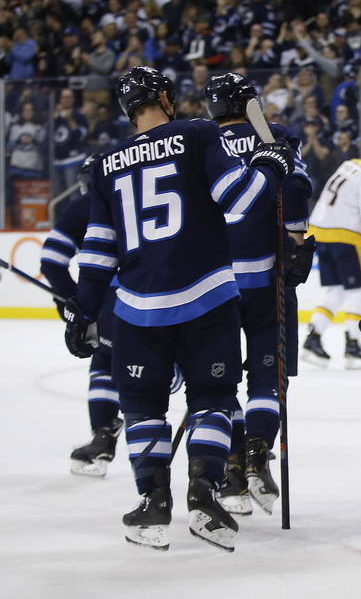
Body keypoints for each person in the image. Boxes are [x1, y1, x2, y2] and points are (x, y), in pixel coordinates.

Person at [60, 66, 294, 551]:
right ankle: (204, 495)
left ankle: (153, 501)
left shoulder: (105, 163)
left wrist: (83, 312)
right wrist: (271, 165)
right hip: (207, 297)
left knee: (144, 407)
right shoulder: (197, 133)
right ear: (166, 98)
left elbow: (99, 251)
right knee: (212, 398)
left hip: (137, 310)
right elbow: (240, 200)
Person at [203, 72, 315, 516]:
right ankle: (257, 457)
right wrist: (295, 240)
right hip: (267, 279)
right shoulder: (277, 136)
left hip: (212, 286)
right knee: (269, 376)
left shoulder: (197, 143)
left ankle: (230, 470)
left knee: (219, 379)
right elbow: (298, 187)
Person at [40, 153, 123, 477]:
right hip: (170, 293)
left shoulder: (86, 203)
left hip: (111, 299)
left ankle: (103, 436)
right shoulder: (135, 189)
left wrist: (74, 302)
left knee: (104, 361)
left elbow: (51, 259)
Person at [301, 143, 361, 369]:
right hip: (343, 235)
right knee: (357, 291)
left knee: (336, 290)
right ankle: (353, 345)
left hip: (319, 232)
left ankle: (313, 337)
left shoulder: (349, 165)